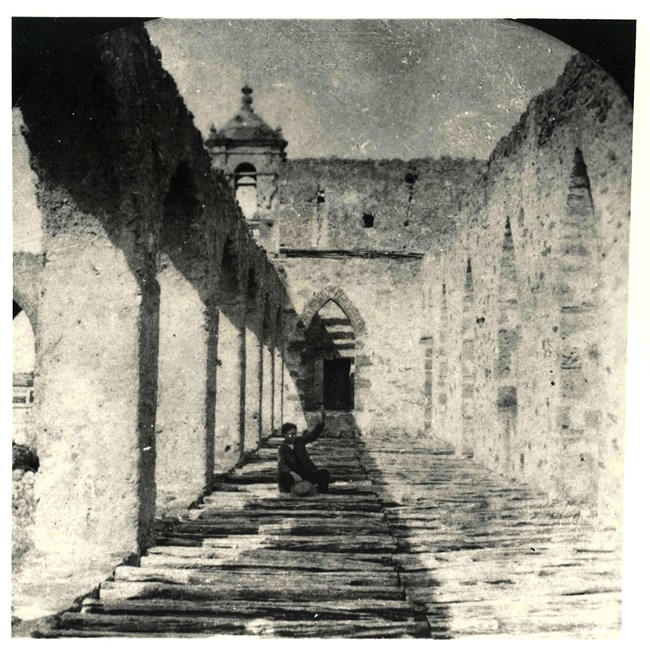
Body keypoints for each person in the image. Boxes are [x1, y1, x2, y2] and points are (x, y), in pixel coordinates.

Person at [277, 406, 330, 494]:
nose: (294, 436)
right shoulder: (282, 449)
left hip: (305, 474)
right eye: (291, 434)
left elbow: (312, 435)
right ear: (284, 435)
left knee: (324, 474)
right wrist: (292, 473)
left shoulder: (299, 441)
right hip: (293, 477)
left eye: (295, 434)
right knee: (285, 479)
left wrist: (321, 422)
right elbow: (282, 465)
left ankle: (321, 494)